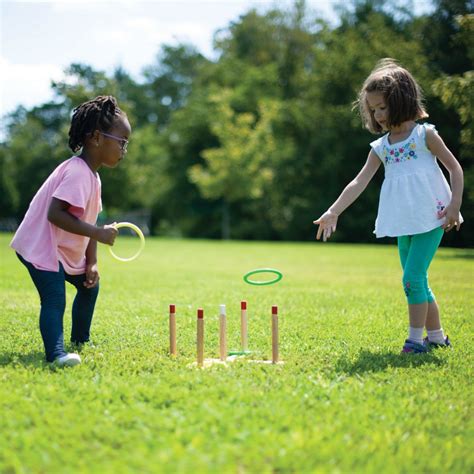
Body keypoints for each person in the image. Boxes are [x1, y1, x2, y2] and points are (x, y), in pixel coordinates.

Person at [313, 59, 464, 354]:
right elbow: (358, 182)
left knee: (412, 278)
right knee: (416, 280)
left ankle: (415, 341)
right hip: (404, 220)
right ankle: (436, 337)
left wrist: (454, 206)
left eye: (383, 107)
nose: (378, 114)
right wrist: (334, 210)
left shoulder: (425, 136)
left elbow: (455, 169)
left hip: (432, 216)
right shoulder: (382, 147)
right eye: (373, 109)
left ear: (401, 100)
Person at [11, 95, 132, 366]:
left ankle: (80, 341)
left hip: (59, 249)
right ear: (96, 138)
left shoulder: (94, 177)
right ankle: (56, 355)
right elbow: (55, 214)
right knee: (55, 297)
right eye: (122, 142)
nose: (124, 150)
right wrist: (99, 233)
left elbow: (89, 221)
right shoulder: (77, 171)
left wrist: (92, 262)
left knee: (90, 286)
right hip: (41, 245)